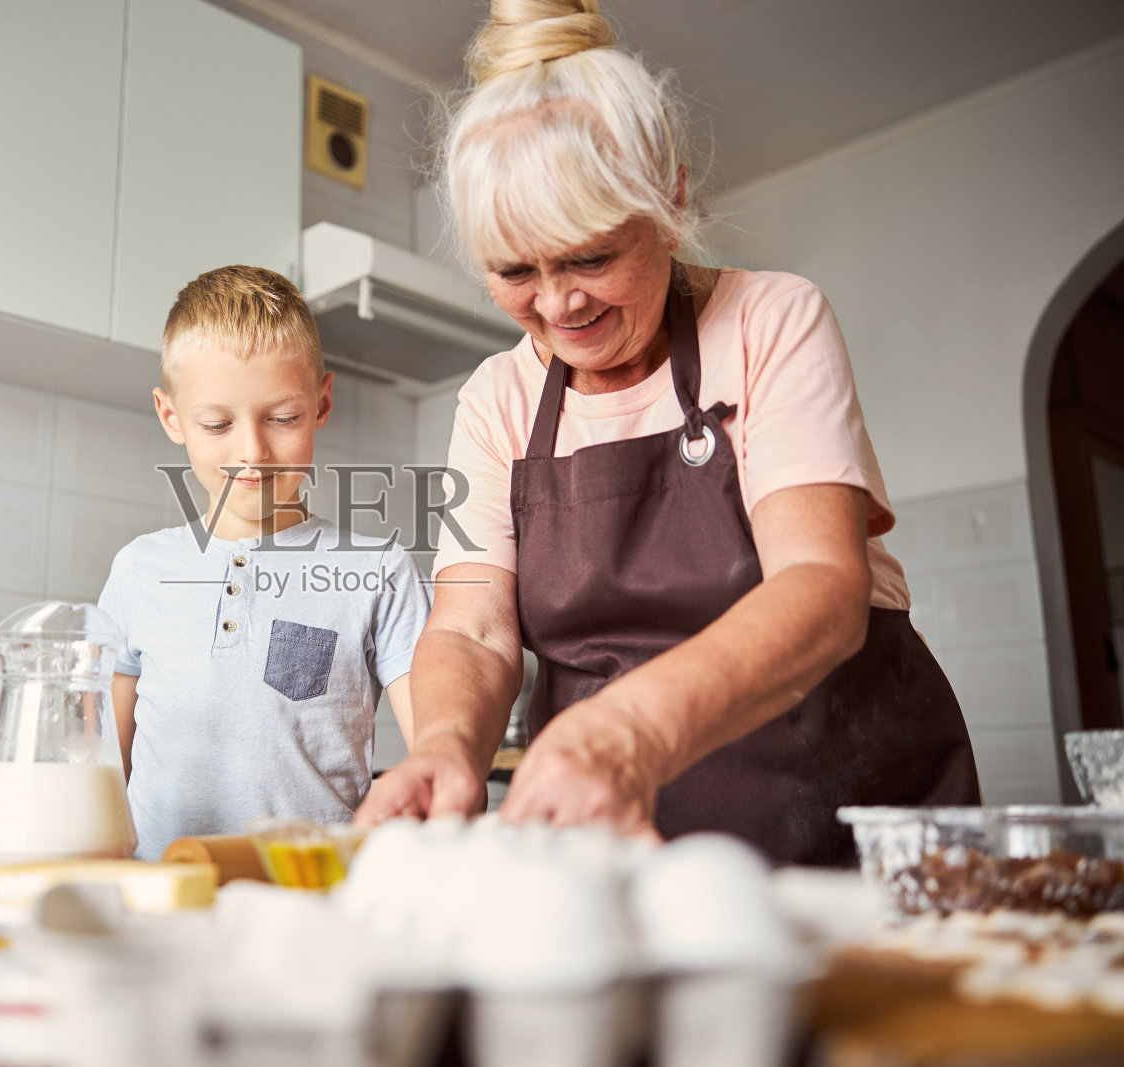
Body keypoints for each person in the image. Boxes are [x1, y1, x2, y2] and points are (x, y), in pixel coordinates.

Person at [356, 0, 979, 866]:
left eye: (591, 256)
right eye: (514, 270)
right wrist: (443, 749)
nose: (558, 304)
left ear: (672, 199)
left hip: (844, 834)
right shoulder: (495, 397)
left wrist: (631, 729)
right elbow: (472, 628)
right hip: (616, 863)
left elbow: (821, 584)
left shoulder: (772, 319)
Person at [100, 265, 431, 860]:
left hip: (311, 903)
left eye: (282, 419)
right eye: (217, 424)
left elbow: (438, 754)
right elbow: (100, 768)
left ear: (321, 403)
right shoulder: (137, 570)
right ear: (171, 417)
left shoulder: (379, 571)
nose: (252, 452)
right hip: (161, 902)